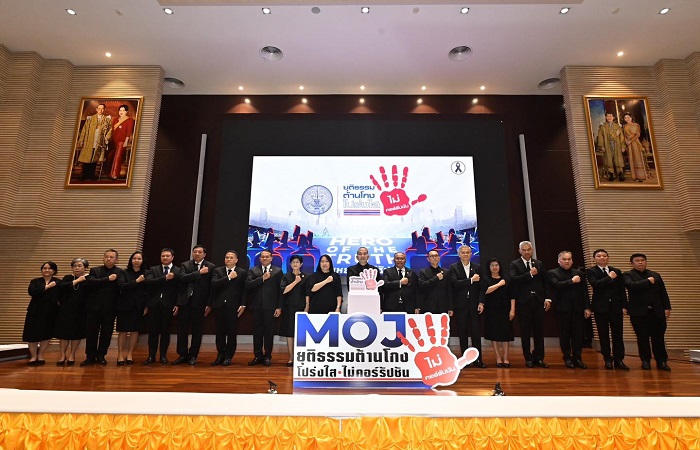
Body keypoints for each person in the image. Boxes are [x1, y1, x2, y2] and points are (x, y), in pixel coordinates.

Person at [622, 253, 672, 371]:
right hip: (638, 312)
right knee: (642, 338)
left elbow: (663, 292)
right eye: (637, 260)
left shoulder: (655, 275)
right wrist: (648, 281)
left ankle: (662, 361)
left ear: (646, 262)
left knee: (659, 337)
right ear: (632, 263)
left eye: (643, 260)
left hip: (657, 311)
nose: (640, 262)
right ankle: (645, 361)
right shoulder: (627, 275)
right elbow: (631, 286)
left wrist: (667, 307)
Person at [509, 241, 551, 368]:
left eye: (528, 249)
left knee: (539, 331)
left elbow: (545, 282)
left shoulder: (539, 263)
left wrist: (548, 298)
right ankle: (528, 358)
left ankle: (539, 357)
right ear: (520, 251)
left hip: (538, 301)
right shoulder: (514, 264)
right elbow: (514, 279)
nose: (526, 252)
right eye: (524, 250)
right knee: (525, 331)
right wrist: (529, 274)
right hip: (523, 302)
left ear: (532, 250)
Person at [547, 251, 591, 369]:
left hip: (578, 308)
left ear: (572, 261)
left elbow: (584, 291)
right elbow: (556, 285)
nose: (567, 261)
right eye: (564, 259)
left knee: (578, 334)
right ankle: (567, 357)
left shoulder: (578, 273)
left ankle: (578, 358)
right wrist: (572, 281)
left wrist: (587, 307)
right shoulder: (552, 273)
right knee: (564, 334)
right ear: (559, 260)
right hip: (562, 309)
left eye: (569, 259)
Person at [173, 245, 215, 366]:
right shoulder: (185, 265)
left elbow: (212, 287)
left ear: (204, 254)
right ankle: (182, 354)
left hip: (200, 303)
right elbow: (182, 278)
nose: (197, 254)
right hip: (185, 302)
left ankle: (193, 355)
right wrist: (199, 272)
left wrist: (209, 304)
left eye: (199, 252)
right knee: (182, 329)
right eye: (195, 252)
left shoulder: (211, 266)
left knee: (197, 330)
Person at [587, 249, 629, 370]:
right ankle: (607, 359)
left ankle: (619, 359)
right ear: (594, 259)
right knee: (603, 334)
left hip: (616, 307)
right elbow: (595, 284)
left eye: (604, 256)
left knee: (618, 334)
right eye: (599, 256)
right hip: (600, 308)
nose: (602, 258)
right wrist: (609, 278)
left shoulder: (616, 271)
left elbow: (622, 290)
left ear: (608, 257)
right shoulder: (591, 271)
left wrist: (624, 306)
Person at [82, 249, 122, 366]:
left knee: (106, 332)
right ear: (103, 258)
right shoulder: (95, 270)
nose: (108, 259)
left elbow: (121, 287)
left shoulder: (120, 272)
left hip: (110, 308)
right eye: (106, 256)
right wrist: (107, 279)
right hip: (93, 307)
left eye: (111, 257)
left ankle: (101, 355)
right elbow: (91, 282)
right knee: (91, 332)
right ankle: (90, 356)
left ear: (116, 259)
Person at [448, 245, 485, 367]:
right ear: (459, 254)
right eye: (463, 252)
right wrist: (471, 280)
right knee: (462, 332)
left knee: (476, 332)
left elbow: (481, 287)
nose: (465, 254)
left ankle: (478, 359)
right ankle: (465, 360)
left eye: (467, 252)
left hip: (474, 304)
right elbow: (455, 284)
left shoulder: (477, 267)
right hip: (460, 305)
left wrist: (481, 302)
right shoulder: (454, 267)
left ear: (471, 254)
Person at [245, 249, 283, 366]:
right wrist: (262, 278)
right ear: (260, 258)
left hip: (271, 307)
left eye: (267, 256)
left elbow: (280, 290)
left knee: (269, 332)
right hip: (256, 306)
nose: (264, 258)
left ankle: (267, 356)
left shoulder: (277, 271)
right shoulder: (253, 270)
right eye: (262, 257)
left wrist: (279, 307)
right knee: (257, 332)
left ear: (271, 258)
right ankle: (257, 356)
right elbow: (247, 285)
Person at [209, 251, 247, 366]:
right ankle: (220, 354)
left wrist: (243, 304)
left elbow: (244, 290)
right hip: (219, 306)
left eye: (231, 258)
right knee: (219, 331)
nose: (229, 259)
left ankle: (229, 356)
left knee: (231, 332)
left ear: (236, 260)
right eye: (227, 257)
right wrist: (229, 277)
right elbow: (214, 284)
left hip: (234, 306)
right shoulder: (218, 271)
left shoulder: (242, 272)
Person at [144, 248, 180, 365]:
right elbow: (148, 282)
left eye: (167, 256)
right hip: (154, 304)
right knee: (153, 331)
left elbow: (180, 289)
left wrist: (177, 304)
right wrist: (164, 278)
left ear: (172, 257)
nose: (165, 258)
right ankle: (151, 356)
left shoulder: (178, 270)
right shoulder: (153, 269)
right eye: (163, 256)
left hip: (169, 304)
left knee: (165, 331)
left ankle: (163, 356)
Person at [23, 261, 60, 366]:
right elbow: (32, 292)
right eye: (44, 268)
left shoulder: (58, 282)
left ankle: (40, 356)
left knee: (46, 334)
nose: (46, 270)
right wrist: (47, 287)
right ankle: (33, 356)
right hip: (35, 311)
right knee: (32, 334)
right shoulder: (35, 281)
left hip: (50, 312)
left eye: (49, 268)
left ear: (54, 271)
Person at [480, 258, 515, 368]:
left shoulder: (507, 279)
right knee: (494, 334)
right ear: (489, 267)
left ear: (500, 266)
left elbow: (512, 296)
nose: (495, 267)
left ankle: (506, 358)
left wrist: (512, 310)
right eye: (492, 265)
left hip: (505, 310)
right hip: (491, 310)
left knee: (505, 334)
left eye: (496, 265)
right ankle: (498, 358)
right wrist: (499, 284)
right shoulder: (485, 279)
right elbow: (485, 291)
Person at [55, 258, 89, 366]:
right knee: (64, 333)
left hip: (81, 310)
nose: (77, 268)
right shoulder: (67, 278)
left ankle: (72, 354)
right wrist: (77, 280)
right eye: (75, 266)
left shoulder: (88, 279)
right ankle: (62, 355)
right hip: (66, 309)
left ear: (85, 268)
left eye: (80, 266)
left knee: (76, 333)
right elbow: (61, 287)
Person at [115, 251, 147, 365]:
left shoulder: (146, 273)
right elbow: (122, 286)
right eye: (134, 258)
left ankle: (130, 354)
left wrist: (146, 306)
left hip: (139, 306)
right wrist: (137, 281)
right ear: (131, 260)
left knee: (134, 330)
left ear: (142, 261)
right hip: (124, 305)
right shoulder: (123, 272)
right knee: (123, 331)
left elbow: (148, 291)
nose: (136, 261)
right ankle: (120, 354)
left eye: (139, 259)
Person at [280, 255, 308, 366]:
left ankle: (301, 357)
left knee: (302, 333)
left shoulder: (306, 276)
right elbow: (283, 291)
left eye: (297, 262)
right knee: (290, 332)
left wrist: (307, 306)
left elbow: (308, 293)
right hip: (289, 308)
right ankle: (291, 358)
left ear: (301, 264)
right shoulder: (286, 276)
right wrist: (295, 282)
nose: (295, 264)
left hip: (302, 308)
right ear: (290, 264)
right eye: (293, 262)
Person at [76, 103, 112, 181]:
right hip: (89, 141)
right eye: (99, 108)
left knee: (94, 158)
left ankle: (91, 175)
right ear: (96, 109)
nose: (100, 110)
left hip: (99, 142)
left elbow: (110, 130)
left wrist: (107, 138)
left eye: (102, 108)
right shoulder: (90, 118)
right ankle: (84, 175)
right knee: (87, 158)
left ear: (104, 109)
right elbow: (84, 129)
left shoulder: (107, 119)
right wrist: (81, 140)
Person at [418, 249, 450, 314]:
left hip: (443, 306)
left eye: (436, 256)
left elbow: (449, 290)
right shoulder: (423, 272)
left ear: (439, 258)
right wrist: (436, 278)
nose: (434, 257)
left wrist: (450, 307)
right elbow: (422, 286)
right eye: (432, 256)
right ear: (428, 259)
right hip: (428, 306)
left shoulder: (446, 272)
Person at [109, 104, 136, 180]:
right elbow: (112, 131)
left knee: (117, 157)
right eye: (120, 110)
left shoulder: (129, 120)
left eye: (123, 110)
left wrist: (126, 141)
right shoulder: (115, 119)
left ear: (126, 112)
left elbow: (128, 132)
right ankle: (109, 173)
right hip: (114, 140)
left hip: (122, 141)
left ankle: (114, 174)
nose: (121, 112)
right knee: (111, 157)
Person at [597, 112, 626, 182]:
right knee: (609, 160)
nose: (609, 117)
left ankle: (620, 174)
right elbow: (600, 137)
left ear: (613, 117)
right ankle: (611, 175)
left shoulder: (618, 126)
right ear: (606, 117)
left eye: (611, 116)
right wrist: (601, 146)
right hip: (607, 145)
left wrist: (623, 146)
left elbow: (621, 137)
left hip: (617, 145)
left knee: (618, 159)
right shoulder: (603, 127)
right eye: (608, 116)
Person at [622, 112, 647, 182]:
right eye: (625, 118)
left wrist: (630, 141)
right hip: (629, 145)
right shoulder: (624, 126)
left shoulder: (636, 125)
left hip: (635, 143)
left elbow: (638, 135)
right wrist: (626, 141)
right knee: (631, 159)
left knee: (637, 158)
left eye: (628, 117)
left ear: (631, 118)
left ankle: (641, 176)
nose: (627, 119)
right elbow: (624, 135)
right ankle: (635, 176)